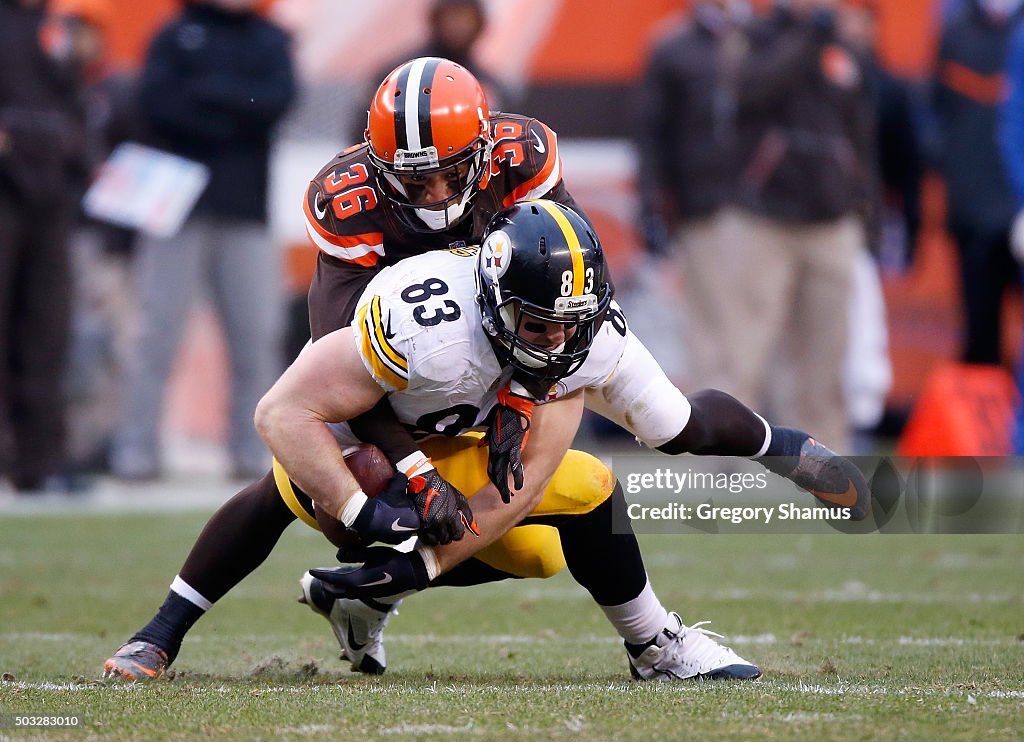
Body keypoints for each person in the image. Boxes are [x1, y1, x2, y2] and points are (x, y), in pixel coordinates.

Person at [101, 58, 868, 678]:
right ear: (377, 167)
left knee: (646, 448)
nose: (434, 195)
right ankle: (162, 633)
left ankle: (786, 453)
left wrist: (519, 402)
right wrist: (409, 472)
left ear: (485, 151)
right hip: (420, 353)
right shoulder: (353, 207)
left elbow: (573, 268)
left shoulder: (523, 161)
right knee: (307, 479)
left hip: (526, 331)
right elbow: (327, 376)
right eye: (415, 179)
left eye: (449, 175)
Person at [109, 0, 297, 481]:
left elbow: (275, 103)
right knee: (156, 334)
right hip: (176, 206)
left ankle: (252, 451)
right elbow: (155, 103)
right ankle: (137, 448)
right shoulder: (175, 33)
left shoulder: (269, 39)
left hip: (246, 209)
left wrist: (207, 96)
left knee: (256, 336)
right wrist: (235, 109)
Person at [0, 0, 86, 492]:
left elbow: (77, 104)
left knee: (46, 329)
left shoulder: (59, 25)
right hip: (5, 192)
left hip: (51, 195)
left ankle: (40, 462)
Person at [934, 0, 1024, 366]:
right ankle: (987, 421)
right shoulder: (956, 30)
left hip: (1017, 207)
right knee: (979, 333)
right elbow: (935, 111)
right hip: (972, 210)